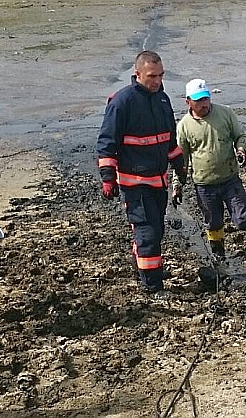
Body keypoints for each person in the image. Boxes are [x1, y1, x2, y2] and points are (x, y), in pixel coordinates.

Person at [97, 51, 186, 294]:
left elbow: (169, 139)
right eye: (151, 76)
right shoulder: (122, 102)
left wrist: (179, 164)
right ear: (137, 74)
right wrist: (107, 178)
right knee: (147, 232)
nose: (157, 81)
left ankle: (145, 268)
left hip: (159, 181)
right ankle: (152, 287)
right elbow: (107, 142)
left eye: (160, 75)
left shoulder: (162, 100)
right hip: (134, 182)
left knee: (156, 231)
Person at [172, 79, 246, 275]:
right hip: (204, 184)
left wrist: (241, 150)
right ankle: (219, 258)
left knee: (243, 218)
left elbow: (240, 136)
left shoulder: (225, 113)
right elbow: (181, 160)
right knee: (213, 222)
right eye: (199, 100)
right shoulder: (184, 127)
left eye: (206, 98)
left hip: (230, 179)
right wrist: (177, 185)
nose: (204, 104)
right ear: (188, 102)